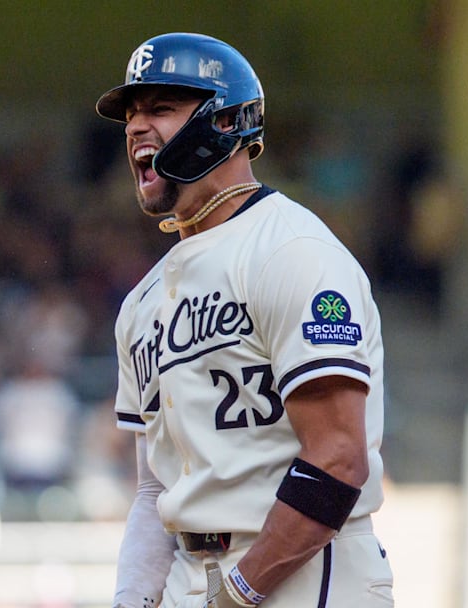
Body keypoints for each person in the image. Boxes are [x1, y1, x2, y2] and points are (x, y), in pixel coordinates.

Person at [95, 33, 394, 607]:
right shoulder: (142, 303)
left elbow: (338, 455)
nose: (135, 127)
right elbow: (156, 486)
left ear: (226, 121)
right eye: (131, 114)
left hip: (308, 571)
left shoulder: (293, 250)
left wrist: (239, 593)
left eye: (160, 108)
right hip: (196, 574)